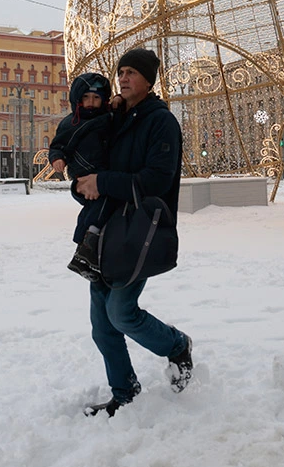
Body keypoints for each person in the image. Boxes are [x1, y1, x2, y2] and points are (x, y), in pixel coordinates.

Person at [75, 48, 193, 417]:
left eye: (131, 73)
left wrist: (103, 181)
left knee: (121, 312)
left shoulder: (161, 122)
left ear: (148, 79)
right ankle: (124, 393)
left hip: (138, 232)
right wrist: (82, 184)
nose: (123, 78)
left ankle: (177, 345)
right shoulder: (115, 117)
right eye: (120, 72)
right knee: (101, 325)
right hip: (104, 231)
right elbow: (91, 157)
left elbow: (157, 180)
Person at [48, 72, 116, 281]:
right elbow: (58, 144)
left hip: (103, 172)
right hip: (84, 174)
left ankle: (84, 246)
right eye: (86, 98)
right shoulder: (71, 123)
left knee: (94, 208)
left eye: (96, 98)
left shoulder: (109, 119)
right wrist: (58, 158)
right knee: (98, 205)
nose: (91, 103)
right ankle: (87, 241)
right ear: (78, 99)